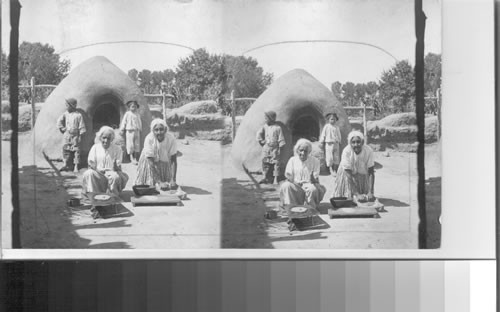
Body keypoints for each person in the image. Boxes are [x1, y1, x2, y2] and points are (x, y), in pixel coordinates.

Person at [82, 126, 129, 197]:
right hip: (97, 172)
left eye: (108, 138)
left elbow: (118, 167)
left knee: (115, 176)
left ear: (112, 139)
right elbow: (91, 163)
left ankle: (111, 198)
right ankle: (93, 196)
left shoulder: (117, 149)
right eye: (104, 138)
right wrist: (97, 170)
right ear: (100, 137)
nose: (106, 141)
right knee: (89, 173)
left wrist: (115, 166)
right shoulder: (95, 147)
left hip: (111, 173)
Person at [279, 139, 326, 210]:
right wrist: (294, 182)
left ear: (309, 152)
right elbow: (289, 176)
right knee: (286, 185)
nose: (303, 153)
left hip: (309, 184)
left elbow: (315, 179)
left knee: (312, 189)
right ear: (297, 150)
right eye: (301, 150)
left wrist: (312, 178)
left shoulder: (315, 161)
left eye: (305, 151)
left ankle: (309, 209)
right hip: (295, 184)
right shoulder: (292, 160)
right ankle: (291, 208)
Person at [135, 119, 178, 189]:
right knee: (150, 186)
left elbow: (173, 160)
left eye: (161, 129)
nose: (159, 132)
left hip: (164, 161)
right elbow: (151, 162)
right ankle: (155, 182)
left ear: (165, 130)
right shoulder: (149, 139)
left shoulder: (171, 139)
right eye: (156, 130)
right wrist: (159, 181)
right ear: (153, 131)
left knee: (168, 185)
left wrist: (173, 179)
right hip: (149, 162)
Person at [333, 130, 375, 201]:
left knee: (366, 197)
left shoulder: (368, 151)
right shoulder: (346, 151)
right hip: (346, 174)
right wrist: (357, 194)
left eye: (358, 142)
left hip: (362, 173)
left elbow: (371, 172)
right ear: (350, 143)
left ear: (362, 142)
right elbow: (348, 174)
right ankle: (350, 194)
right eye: (353, 142)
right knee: (348, 198)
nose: (356, 145)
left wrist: (370, 192)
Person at [56, 98, 86, 172]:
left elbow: (82, 126)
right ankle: (65, 164)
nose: (66, 107)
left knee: (76, 150)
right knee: (65, 148)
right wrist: (63, 129)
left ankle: (76, 166)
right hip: (67, 134)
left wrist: (80, 136)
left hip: (75, 135)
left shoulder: (78, 115)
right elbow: (59, 121)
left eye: (67, 105)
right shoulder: (65, 114)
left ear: (72, 106)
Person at [256, 110, 286, 184]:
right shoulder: (265, 127)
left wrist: (280, 147)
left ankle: (276, 178)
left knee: (276, 163)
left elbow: (281, 138)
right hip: (266, 147)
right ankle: (265, 177)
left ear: (271, 118)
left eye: (266, 118)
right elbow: (259, 134)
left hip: (275, 148)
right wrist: (261, 140)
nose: (265, 120)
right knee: (264, 162)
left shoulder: (278, 128)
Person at [120, 100, 142, 164]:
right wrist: (122, 129)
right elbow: (124, 121)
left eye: (135, 107)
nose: (134, 108)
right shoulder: (127, 114)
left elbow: (139, 121)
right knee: (130, 144)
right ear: (129, 107)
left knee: (136, 144)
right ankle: (131, 157)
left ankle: (135, 157)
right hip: (129, 131)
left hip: (136, 130)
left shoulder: (137, 114)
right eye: (132, 107)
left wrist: (140, 128)